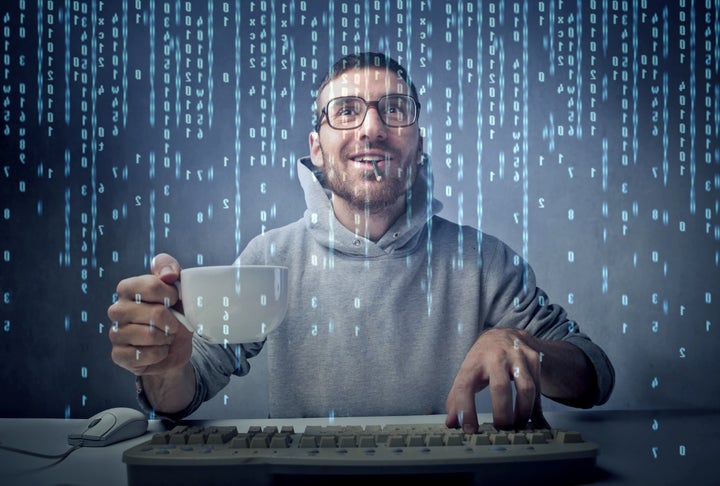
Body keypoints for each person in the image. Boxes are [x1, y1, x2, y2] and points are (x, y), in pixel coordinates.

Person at [107, 52, 614, 433]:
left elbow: (595, 374)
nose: (371, 128)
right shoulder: (270, 258)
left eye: (394, 110)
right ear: (318, 148)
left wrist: (525, 347)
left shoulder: (484, 262)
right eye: (346, 111)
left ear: (418, 145)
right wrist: (165, 365)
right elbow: (183, 391)